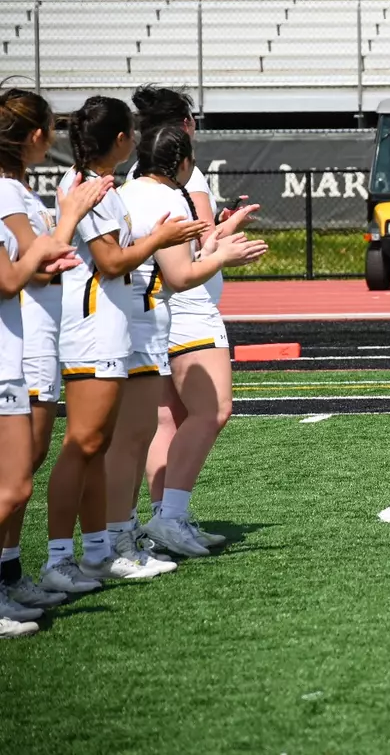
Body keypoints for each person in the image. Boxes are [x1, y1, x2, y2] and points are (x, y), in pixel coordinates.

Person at [44, 97, 206, 592]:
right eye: (130, 134)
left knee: (123, 439)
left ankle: (111, 540)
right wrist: (159, 241)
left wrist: (152, 238)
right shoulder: (90, 188)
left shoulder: (95, 186)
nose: (136, 141)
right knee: (95, 444)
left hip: (118, 324)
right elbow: (112, 263)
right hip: (99, 326)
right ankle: (81, 551)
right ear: (118, 140)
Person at [112, 124, 265, 567]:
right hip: (181, 307)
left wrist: (216, 238)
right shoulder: (167, 196)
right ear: (181, 161)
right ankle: (169, 517)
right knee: (213, 410)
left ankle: (159, 517)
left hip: (142, 315)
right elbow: (181, 274)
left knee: (165, 420)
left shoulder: (126, 191)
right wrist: (222, 255)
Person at [0, 90, 108, 625]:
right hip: (24, 345)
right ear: (35, 136)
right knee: (18, 472)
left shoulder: (18, 189)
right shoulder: (6, 193)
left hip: (38, 339)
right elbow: (35, 268)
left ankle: (11, 573)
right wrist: (69, 218)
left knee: (26, 467)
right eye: (49, 128)